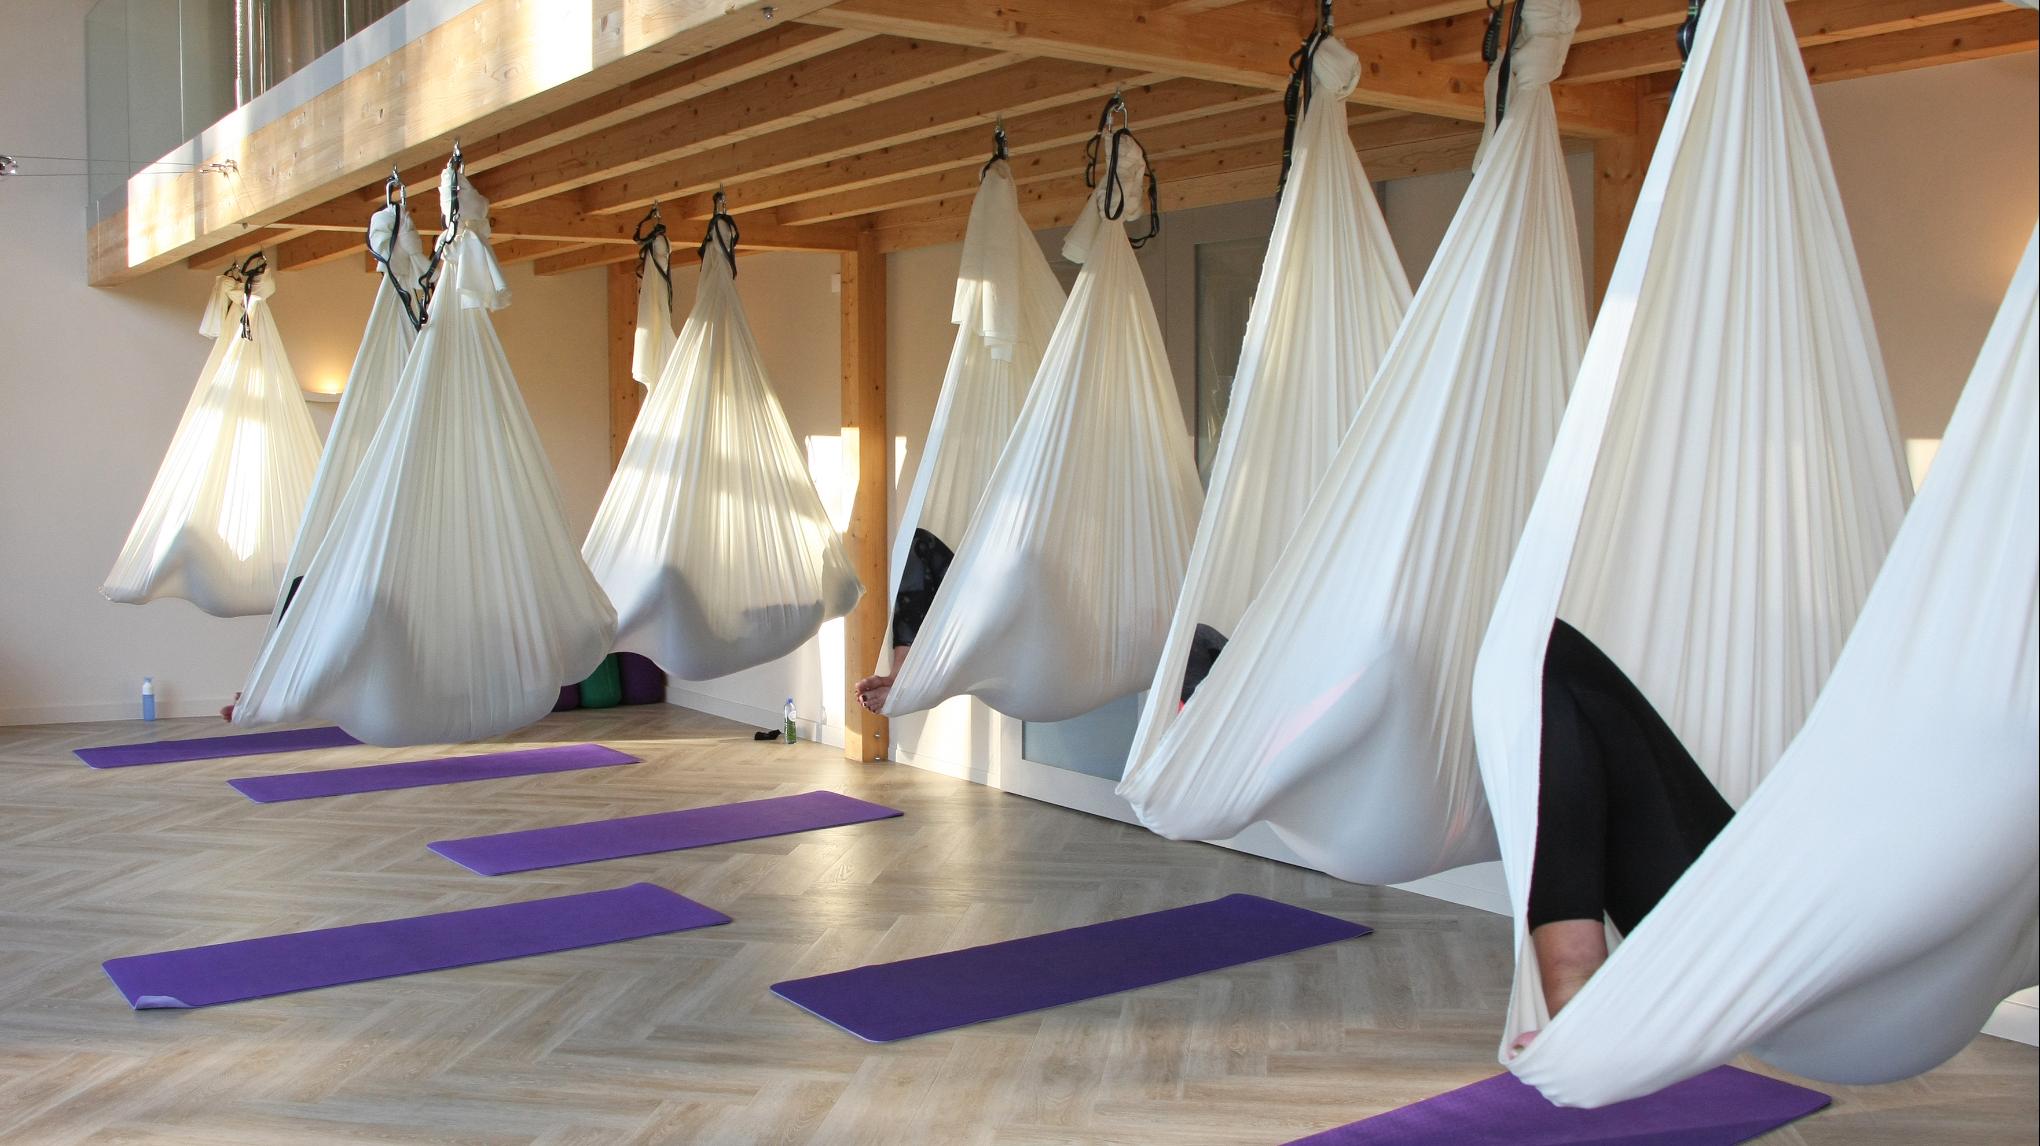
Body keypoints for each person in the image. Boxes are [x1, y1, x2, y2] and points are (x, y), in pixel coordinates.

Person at [1512, 618, 1735, 1055]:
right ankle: (1577, 984)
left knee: (1540, 652)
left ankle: (1577, 985)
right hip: (1736, 896)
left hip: (1768, 915)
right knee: (1540, 652)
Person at [854, 528, 953, 713]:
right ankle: (900, 673)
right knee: (916, 542)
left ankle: (908, 675)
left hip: (1008, 602)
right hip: (980, 596)